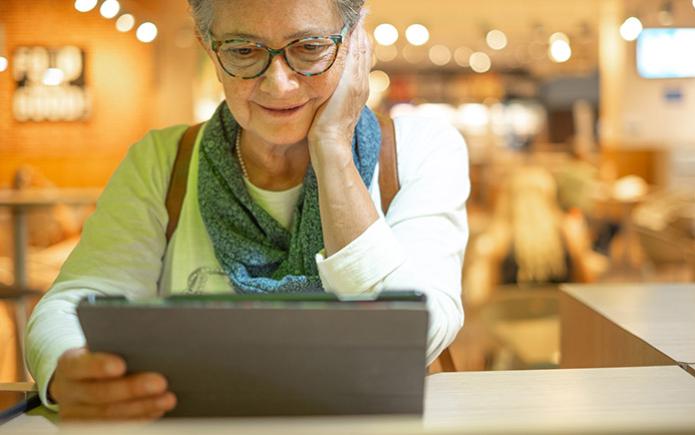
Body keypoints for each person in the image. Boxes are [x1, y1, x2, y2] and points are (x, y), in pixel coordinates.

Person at [25, 0, 470, 420]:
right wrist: (71, 370)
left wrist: (332, 148)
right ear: (208, 47)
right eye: (242, 50)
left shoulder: (420, 150)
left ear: (355, 43)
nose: (280, 83)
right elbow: (73, 302)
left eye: (310, 48)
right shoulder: (161, 162)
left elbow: (416, 333)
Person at [466, 166, 604, 304]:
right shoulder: (568, 232)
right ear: (549, 196)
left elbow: (485, 296)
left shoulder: (497, 240)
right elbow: (586, 281)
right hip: (562, 319)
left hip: (511, 321)